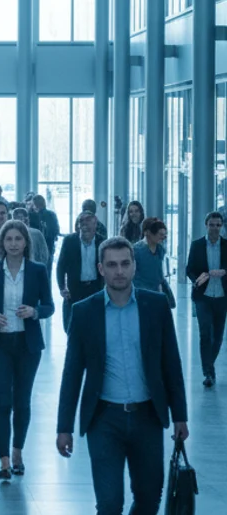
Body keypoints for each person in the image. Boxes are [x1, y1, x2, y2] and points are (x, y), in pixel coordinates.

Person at [56, 237, 189, 515]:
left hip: (148, 417)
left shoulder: (156, 306)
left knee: (149, 498)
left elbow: (171, 364)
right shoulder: (84, 312)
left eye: (125, 264)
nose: (119, 271)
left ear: (134, 266)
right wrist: (64, 427)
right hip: (104, 419)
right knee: (109, 503)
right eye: (112, 265)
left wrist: (180, 415)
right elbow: (71, 373)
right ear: (101, 269)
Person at [0, 220, 53, 481]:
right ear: (2, 243)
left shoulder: (38, 270)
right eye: (9, 239)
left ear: (26, 242)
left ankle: (17, 451)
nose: (14, 244)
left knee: (22, 401)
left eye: (19, 239)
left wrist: (35, 311)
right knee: (2, 402)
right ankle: (4, 460)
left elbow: (49, 306)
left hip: (27, 345)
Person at [184, 211, 227, 388]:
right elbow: (189, 269)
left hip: (222, 297)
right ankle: (208, 372)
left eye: (218, 225)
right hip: (203, 296)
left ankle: (209, 366)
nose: (215, 228)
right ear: (206, 225)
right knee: (205, 334)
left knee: (217, 337)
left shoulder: (226, 245)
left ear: (222, 226)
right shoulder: (197, 245)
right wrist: (197, 279)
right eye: (212, 224)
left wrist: (224, 271)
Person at [56, 211, 106, 333]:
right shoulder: (70, 241)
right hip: (75, 289)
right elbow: (61, 266)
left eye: (88, 224)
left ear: (95, 225)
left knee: (94, 325)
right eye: (82, 223)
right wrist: (62, 287)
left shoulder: (102, 242)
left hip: (95, 288)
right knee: (72, 326)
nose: (85, 227)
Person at [132, 217, 174, 308]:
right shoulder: (136, 250)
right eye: (160, 234)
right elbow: (134, 276)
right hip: (141, 293)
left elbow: (160, 273)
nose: (163, 238)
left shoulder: (160, 250)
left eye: (165, 235)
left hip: (157, 292)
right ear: (148, 233)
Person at [30, 195, 61, 260]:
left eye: (32, 204)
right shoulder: (52, 214)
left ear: (35, 205)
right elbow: (56, 230)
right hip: (50, 246)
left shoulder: (32, 216)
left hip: (35, 247)